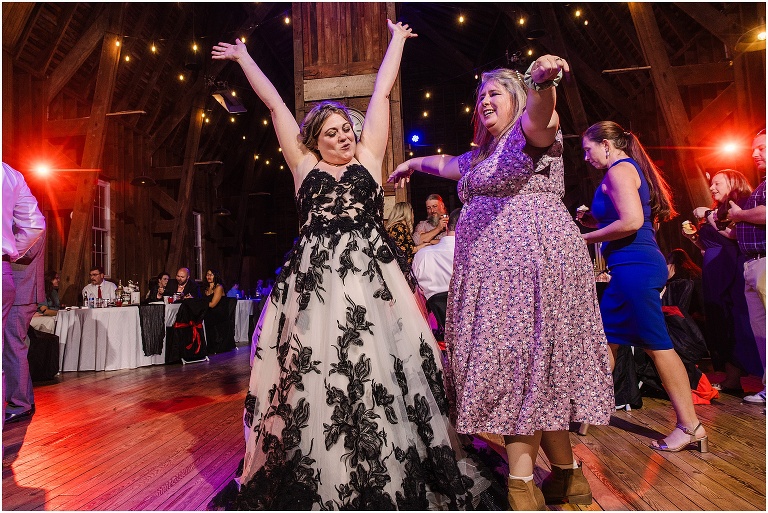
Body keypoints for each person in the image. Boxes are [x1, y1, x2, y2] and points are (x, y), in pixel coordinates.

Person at [212, 21, 506, 510]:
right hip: (316, 283)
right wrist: (244, 59)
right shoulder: (303, 167)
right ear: (315, 141)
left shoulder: (368, 160)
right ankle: (326, 467)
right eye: (332, 133)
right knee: (317, 369)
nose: (344, 137)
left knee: (383, 365)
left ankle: (392, 455)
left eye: (346, 129)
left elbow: (381, 94)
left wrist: (396, 43)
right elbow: (276, 107)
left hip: (371, 278)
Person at [389, 59, 614, 510]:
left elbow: (543, 115)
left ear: (517, 97)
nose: (484, 101)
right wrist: (414, 162)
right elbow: (447, 163)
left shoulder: (530, 132)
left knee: (520, 366)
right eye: (481, 96)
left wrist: (542, 81)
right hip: (495, 273)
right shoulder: (483, 154)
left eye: (495, 93)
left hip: (530, 266)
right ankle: (567, 475)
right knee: (533, 369)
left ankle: (520, 486)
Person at [579, 121, 708, 454]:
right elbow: (625, 218)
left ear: (606, 144)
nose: (586, 157)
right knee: (607, 342)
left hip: (635, 269)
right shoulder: (623, 170)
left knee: (657, 346)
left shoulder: (619, 171)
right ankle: (584, 412)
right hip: (629, 269)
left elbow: (633, 222)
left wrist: (583, 237)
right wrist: (595, 221)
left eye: (588, 149)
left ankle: (690, 426)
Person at [683, 170, 758, 387]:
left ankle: (751, 373)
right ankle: (731, 377)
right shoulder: (719, 209)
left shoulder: (740, 205)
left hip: (730, 267)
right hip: (714, 270)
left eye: (717, 183)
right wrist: (694, 238)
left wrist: (708, 214)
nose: (712, 188)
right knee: (720, 320)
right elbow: (709, 246)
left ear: (733, 182)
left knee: (735, 318)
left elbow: (732, 235)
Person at [3, 162, 46, 425]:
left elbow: (27, 251)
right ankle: (23, 400)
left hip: (21, 291)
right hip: (19, 289)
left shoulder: (27, 229)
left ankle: (20, 403)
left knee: (13, 346)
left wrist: (9, 253)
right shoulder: (23, 223)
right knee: (13, 346)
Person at [729, 129, 766, 404]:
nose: (754, 153)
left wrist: (739, 214)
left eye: (761, 148)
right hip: (754, 261)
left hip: (765, 260)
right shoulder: (762, 184)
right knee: (761, 330)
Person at [411, 208, 460, 329]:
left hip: (433, 325)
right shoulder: (471, 255)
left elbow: (414, 288)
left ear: (447, 227)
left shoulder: (423, 255)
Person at [385, 201, 429, 266]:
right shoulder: (398, 227)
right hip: (400, 268)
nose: (413, 215)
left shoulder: (399, 227)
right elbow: (397, 249)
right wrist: (417, 248)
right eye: (412, 212)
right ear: (408, 213)